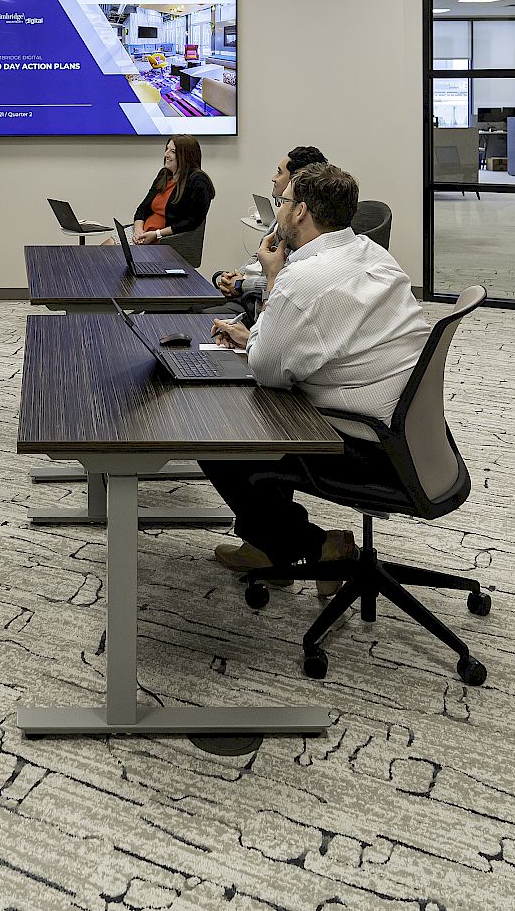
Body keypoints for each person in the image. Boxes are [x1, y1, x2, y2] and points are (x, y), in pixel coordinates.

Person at [201, 163, 431, 587]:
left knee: (217, 425)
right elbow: (309, 339)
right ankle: (268, 544)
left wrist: (272, 280)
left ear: (301, 210)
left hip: (363, 445)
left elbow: (267, 370)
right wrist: (257, 335)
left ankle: (305, 547)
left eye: (282, 202)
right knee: (268, 396)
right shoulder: (372, 254)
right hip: (411, 436)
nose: (279, 210)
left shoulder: (305, 278)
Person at [212, 145, 327, 323]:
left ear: (295, 180)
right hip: (246, 295)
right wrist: (234, 277)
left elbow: (285, 282)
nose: (273, 178)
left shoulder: (302, 230)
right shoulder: (281, 216)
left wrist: (241, 284)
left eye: (279, 172)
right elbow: (258, 256)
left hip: (256, 303)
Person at [129, 134, 214, 251]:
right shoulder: (164, 174)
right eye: (167, 149)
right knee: (103, 250)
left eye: (173, 151)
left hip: (165, 240)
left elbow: (192, 222)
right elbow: (142, 209)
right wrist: (138, 231)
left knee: (110, 256)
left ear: (186, 156)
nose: (166, 155)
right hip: (142, 234)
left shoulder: (198, 180)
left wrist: (157, 234)